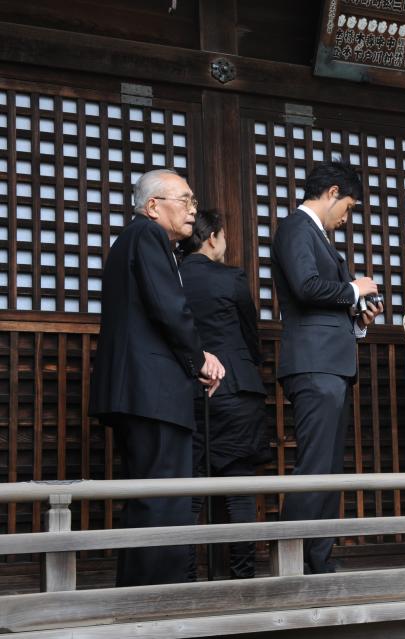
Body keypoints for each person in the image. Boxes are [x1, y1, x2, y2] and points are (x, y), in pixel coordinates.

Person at [89, 168, 225, 587]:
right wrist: (199, 357)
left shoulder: (132, 240)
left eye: (192, 201)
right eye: (183, 200)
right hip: (152, 391)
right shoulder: (147, 236)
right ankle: (158, 602)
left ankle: (137, 598)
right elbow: (167, 307)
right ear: (153, 206)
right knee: (163, 500)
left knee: (148, 499)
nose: (192, 209)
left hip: (139, 391)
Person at [271, 160, 383, 574]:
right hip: (314, 364)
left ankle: (315, 558)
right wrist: (355, 288)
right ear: (332, 192)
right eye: (349, 207)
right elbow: (305, 287)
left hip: (329, 363)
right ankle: (292, 560)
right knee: (316, 466)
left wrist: (357, 318)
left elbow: (321, 298)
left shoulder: (313, 234)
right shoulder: (297, 227)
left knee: (327, 467)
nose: (346, 217)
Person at [178, 209, 270, 579]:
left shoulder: (172, 278)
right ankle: (243, 576)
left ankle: (184, 577)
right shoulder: (231, 278)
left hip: (187, 387)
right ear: (213, 236)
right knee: (240, 488)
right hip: (236, 386)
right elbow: (250, 334)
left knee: (189, 491)